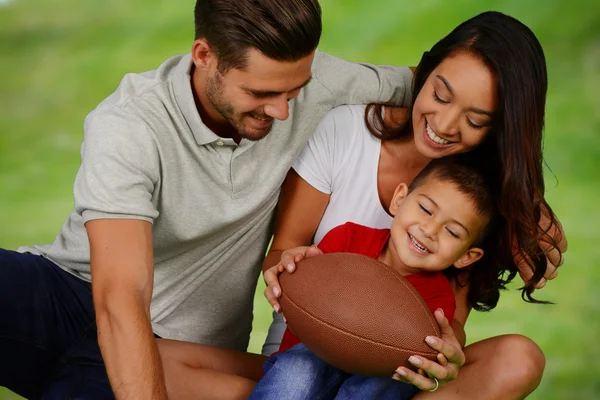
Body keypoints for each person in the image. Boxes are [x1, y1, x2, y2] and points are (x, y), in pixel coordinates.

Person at [0, 0, 415, 398]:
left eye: (294, 91)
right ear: (203, 55)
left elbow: (438, 87)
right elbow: (121, 296)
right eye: (260, 93)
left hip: (180, 346)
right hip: (68, 294)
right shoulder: (130, 124)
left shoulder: (319, 81)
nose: (282, 111)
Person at [259, 10, 568, 399]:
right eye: (440, 95)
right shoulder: (345, 133)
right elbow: (285, 249)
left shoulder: (480, 203)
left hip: (389, 371)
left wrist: (443, 353)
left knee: (518, 357)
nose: (445, 124)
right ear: (421, 74)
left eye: (475, 120)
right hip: (303, 351)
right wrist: (285, 271)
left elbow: (449, 322)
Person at [251, 157, 499, 400]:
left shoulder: (437, 301)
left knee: (392, 380)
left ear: (466, 257)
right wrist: (293, 268)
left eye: (452, 232)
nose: (429, 231)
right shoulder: (347, 239)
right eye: (425, 209)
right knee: (299, 373)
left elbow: (421, 363)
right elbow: (303, 288)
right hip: (312, 352)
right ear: (399, 200)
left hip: (381, 374)